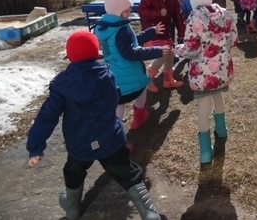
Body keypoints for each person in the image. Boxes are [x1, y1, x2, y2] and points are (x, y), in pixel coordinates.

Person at [26, 30, 162, 220]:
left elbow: (47, 116)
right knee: (127, 172)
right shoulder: (107, 75)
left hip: (79, 144)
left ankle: (72, 209)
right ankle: (148, 212)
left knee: (73, 172)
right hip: (110, 139)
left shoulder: (62, 85)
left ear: (70, 55)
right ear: (95, 52)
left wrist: (36, 147)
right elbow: (113, 99)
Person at [174, 0, 238, 164]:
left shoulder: (195, 18)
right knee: (218, 95)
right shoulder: (226, 14)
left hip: (203, 73)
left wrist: (178, 49)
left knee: (203, 105)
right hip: (223, 69)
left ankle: (205, 152)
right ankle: (222, 130)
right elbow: (234, 41)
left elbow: (192, 50)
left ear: (193, 0)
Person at [95, 0, 170, 138]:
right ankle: (139, 117)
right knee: (142, 87)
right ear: (118, 11)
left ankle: (116, 135)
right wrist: (157, 50)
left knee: (119, 104)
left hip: (114, 77)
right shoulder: (121, 29)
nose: (130, 13)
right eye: (127, 11)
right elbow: (130, 52)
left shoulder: (107, 27)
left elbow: (132, 41)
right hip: (129, 74)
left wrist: (150, 32)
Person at [138, 0, 186, 91]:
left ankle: (168, 79)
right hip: (151, 34)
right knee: (163, 54)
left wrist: (182, 32)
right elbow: (142, 13)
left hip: (165, 34)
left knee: (170, 53)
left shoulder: (173, 1)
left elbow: (178, 17)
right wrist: (158, 13)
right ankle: (149, 77)